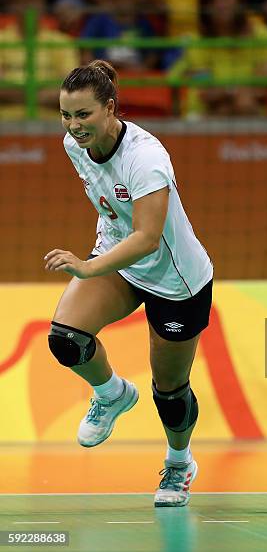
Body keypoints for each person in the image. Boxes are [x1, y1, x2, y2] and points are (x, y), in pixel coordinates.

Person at [44, 60, 213, 507]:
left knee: (170, 392)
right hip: (119, 261)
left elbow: (147, 237)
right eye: (66, 115)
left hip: (176, 280)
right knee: (67, 340)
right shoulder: (72, 145)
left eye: (84, 115)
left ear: (110, 109)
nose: (74, 126)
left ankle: (179, 464)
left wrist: (86, 267)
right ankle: (112, 394)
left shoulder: (147, 157)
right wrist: (97, 262)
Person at [169, 0, 267, 117]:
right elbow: (206, 93)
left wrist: (229, 92)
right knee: (225, 108)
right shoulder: (197, 42)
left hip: (252, 108)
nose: (220, 4)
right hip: (206, 113)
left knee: (244, 104)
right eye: (212, 0)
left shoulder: (260, 34)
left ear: (238, 0)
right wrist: (234, 91)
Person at [0, 0, 79, 120]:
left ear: (43, 4)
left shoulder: (62, 42)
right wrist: (40, 95)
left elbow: (70, 89)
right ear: (11, 5)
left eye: (35, 0)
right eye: (22, 1)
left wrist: (20, 94)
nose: (29, 7)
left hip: (52, 125)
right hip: (5, 124)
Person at [80, 0, 159, 70]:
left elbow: (153, 55)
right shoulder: (97, 23)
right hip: (104, 80)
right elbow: (86, 54)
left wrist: (142, 68)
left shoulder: (143, 24)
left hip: (136, 80)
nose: (122, 2)